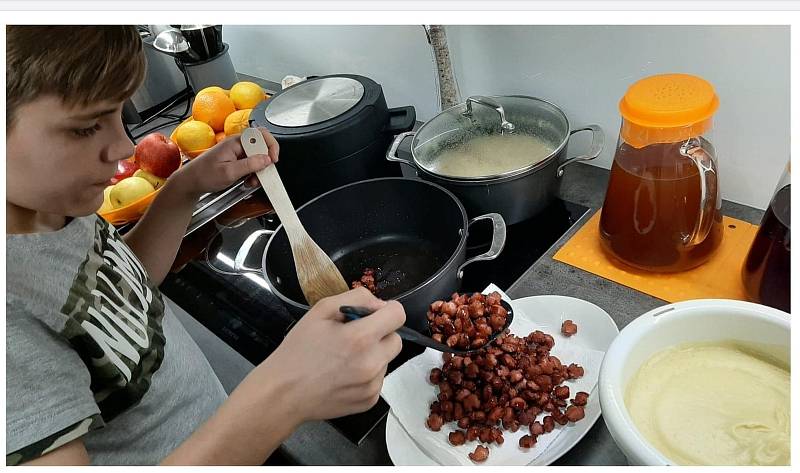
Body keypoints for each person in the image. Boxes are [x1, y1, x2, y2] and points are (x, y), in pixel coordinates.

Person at [6, 25, 405, 466]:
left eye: (120, 113)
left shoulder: (53, 205)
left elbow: (118, 296)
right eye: (85, 128)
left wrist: (186, 186)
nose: (123, 147)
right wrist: (283, 395)